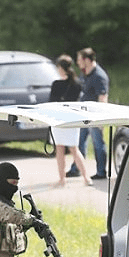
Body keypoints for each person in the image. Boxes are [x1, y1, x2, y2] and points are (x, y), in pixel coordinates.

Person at [66, 47, 109, 180]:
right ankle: (76, 168)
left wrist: (100, 119)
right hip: (83, 116)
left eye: (79, 60)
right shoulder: (85, 73)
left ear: (87, 60)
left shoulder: (99, 76)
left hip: (94, 117)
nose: (78, 63)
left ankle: (101, 172)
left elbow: (103, 98)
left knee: (98, 143)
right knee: (79, 142)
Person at [49, 54, 92, 187]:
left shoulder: (56, 84)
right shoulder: (77, 83)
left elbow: (51, 102)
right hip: (72, 119)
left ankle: (62, 179)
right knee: (74, 149)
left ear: (61, 68)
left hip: (58, 119)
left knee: (59, 149)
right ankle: (86, 177)